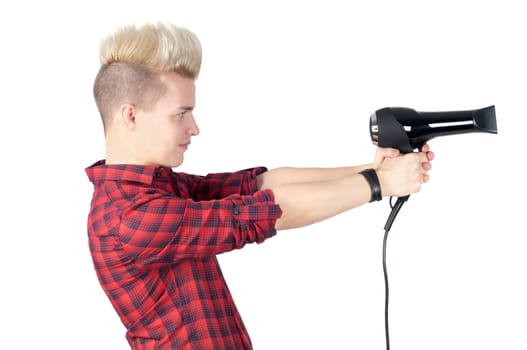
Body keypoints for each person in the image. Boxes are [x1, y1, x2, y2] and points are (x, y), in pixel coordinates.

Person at [85, 22, 434, 350]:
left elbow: (259, 185)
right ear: (131, 115)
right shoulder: (128, 216)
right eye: (180, 114)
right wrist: (379, 184)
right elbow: (268, 211)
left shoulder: (159, 188)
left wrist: (371, 167)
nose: (194, 127)